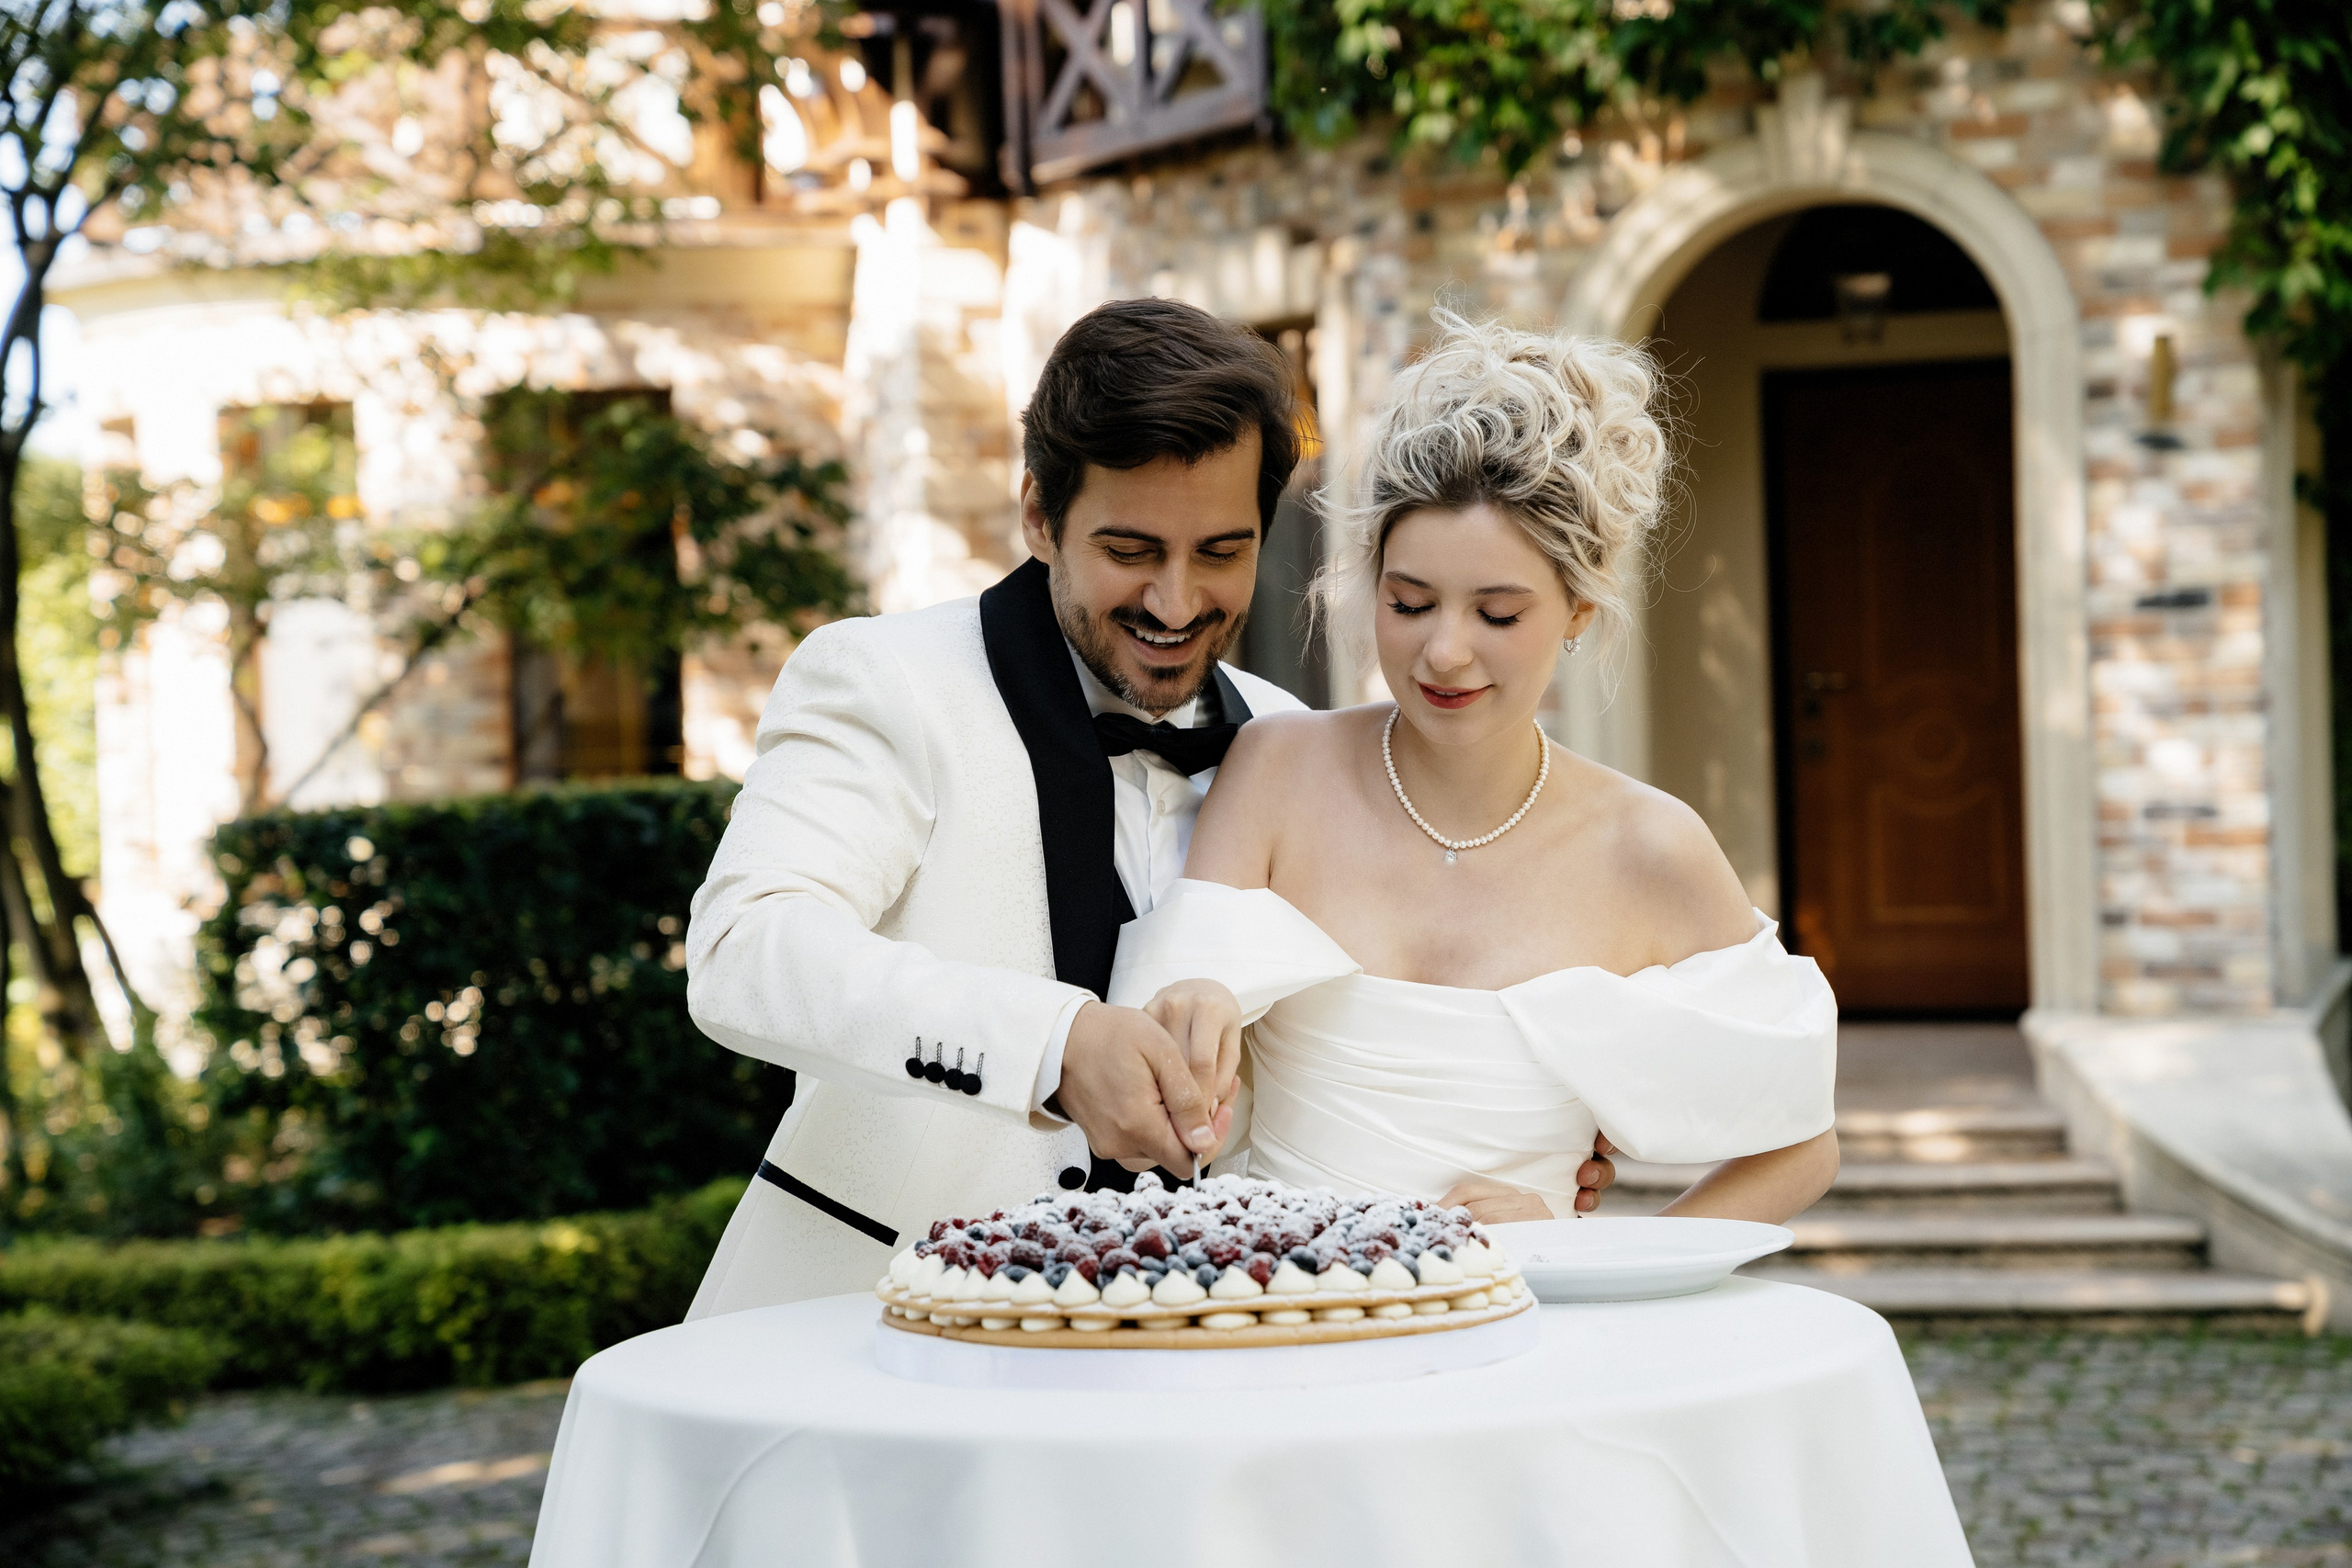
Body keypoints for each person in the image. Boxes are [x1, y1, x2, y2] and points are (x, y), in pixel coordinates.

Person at [683, 297, 1620, 1316]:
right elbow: (746, 949)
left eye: (1220, 553)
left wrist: (1534, 1139)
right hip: (866, 1330)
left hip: (1193, 1365)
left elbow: (1324, 1057)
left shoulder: (1286, 739)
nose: (1176, 605)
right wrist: (1050, 1047)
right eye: (1131, 551)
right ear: (1039, 515)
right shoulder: (885, 678)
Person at [1110, 310, 1840, 1225]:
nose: (1444, 653)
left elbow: (1803, 1143)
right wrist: (1195, 1013)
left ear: (1577, 610)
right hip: (1283, 1310)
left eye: (1497, 615)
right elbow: (1172, 1030)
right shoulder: (1275, 769)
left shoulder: (1649, 847)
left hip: (1526, 1331)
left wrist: (1591, 1262)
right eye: (1409, 602)